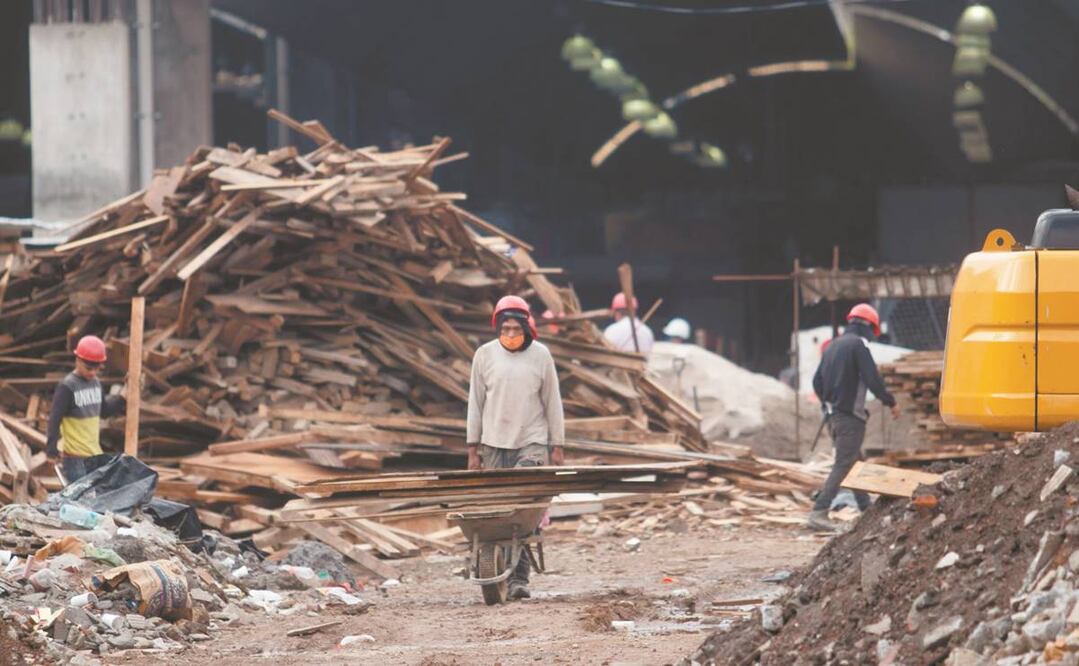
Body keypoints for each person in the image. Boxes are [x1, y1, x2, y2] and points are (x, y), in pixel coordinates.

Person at [466, 295, 565, 600]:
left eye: (515, 328)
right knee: (498, 511)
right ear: (498, 328)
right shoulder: (484, 356)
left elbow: (553, 402)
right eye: (505, 329)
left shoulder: (541, 356)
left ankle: (519, 580)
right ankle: (497, 567)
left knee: (524, 507)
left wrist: (557, 445)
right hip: (494, 442)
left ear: (526, 327)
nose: (510, 334)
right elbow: (475, 404)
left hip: (531, 442)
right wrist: (473, 449)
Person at [807, 303, 900, 532]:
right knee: (844, 463)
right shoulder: (858, 346)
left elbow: (816, 382)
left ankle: (866, 509)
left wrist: (829, 404)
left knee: (855, 462)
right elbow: (873, 379)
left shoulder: (833, 346)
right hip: (850, 417)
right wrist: (891, 401)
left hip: (833, 416)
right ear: (868, 326)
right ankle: (819, 511)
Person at [45, 335, 126, 483]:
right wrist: (51, 450)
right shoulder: (67, 387)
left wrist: (122, 398)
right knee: (81, 502)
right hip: (75, 459)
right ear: (78, 360)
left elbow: (104, 411)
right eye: (88, 368)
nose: (92, 373)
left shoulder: (95, 383)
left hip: (94, 455)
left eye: (97, 368)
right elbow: (54, 420)